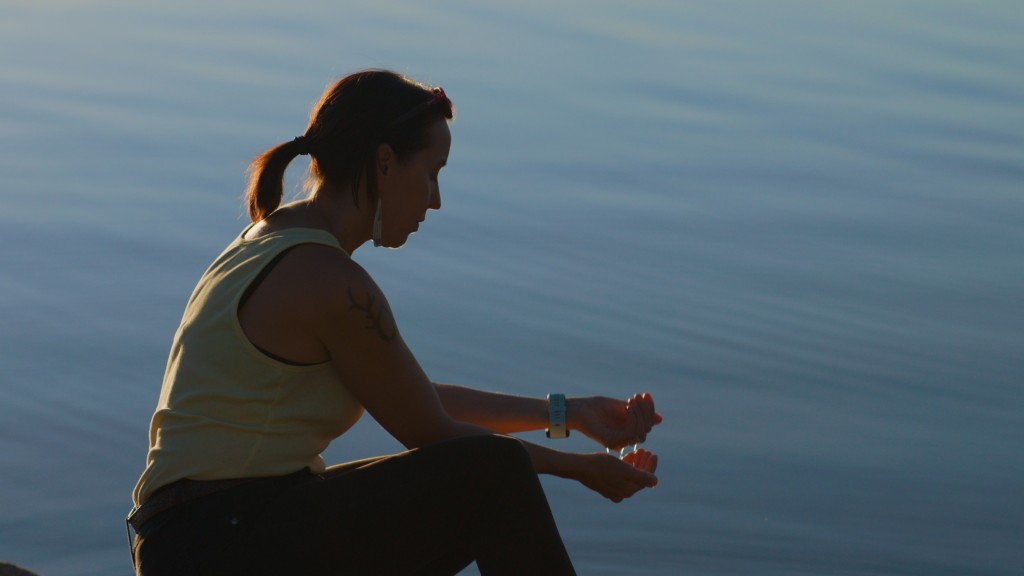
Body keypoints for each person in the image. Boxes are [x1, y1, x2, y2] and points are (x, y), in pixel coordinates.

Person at [127, 69, 662, 576]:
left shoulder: (274, 239)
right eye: (431, 174)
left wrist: (571, 414)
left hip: (204, 531)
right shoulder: (331, 282)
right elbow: (437, 435)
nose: (436, 200)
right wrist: (581, 469)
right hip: (214, 541)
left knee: (483, 472)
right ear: (384, 163)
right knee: (492, 474)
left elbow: (413, 399)